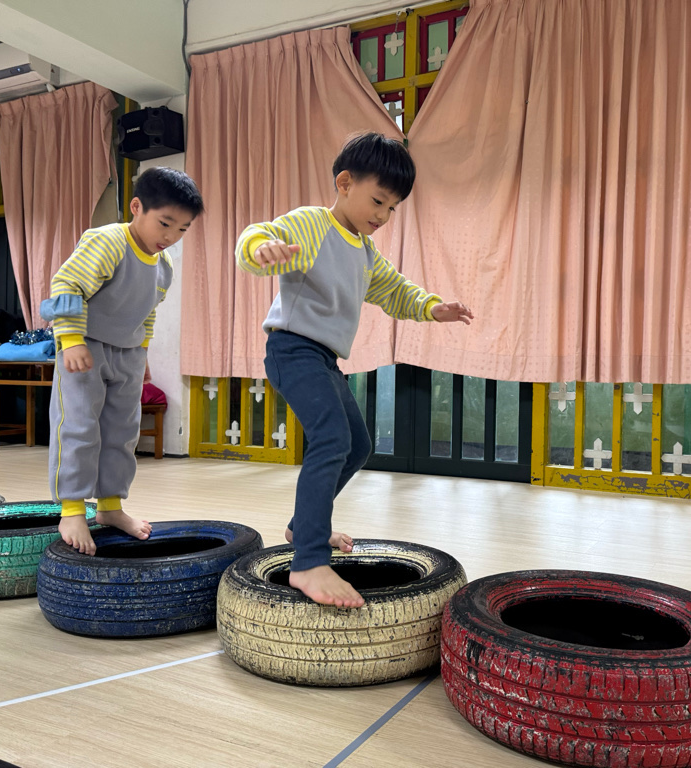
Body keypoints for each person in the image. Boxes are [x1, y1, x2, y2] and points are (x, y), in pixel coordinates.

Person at [236, 132, 473, 608]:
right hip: (292, 349)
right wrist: (261, 250)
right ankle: (308, 561)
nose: (383, 215)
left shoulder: (364, 252)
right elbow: (256, 234)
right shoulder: (311, 224)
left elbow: (395, 290)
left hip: (323, 358)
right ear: (345, 183)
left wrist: (433, 308)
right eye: (378, 201)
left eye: (392, 208)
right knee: (331, 439)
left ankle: (304, 525)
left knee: (357, 445)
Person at [43, 167, 204, 556]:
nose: (171, 236)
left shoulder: (163, 266)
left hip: (128, 355)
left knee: (121, 432)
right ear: (136, 207)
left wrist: (142, 352)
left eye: (182, 229)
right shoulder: (108, 241)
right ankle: (72, 510)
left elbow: (147, 312)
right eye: (165, 223)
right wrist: (71, 340)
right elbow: (66, 286)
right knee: (79, 426)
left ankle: (111, 507)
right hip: (85, 349)